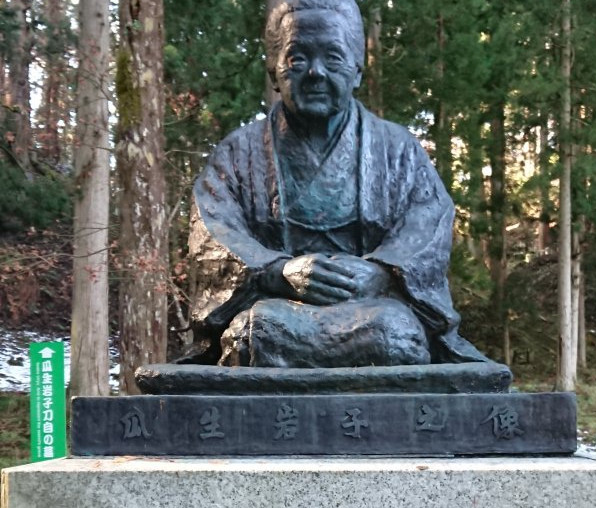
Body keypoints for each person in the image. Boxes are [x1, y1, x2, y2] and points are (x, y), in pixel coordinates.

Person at [186, 0, 487, 368]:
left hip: (375, 313)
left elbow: (428, 222)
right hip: (276, 313)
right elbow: (213, 230)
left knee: (397, 336)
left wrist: (381, 272)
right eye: (297, 58)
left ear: (357, 71)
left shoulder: (397, 149)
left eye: (333, 58)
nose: (315, 73)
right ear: (273, 70)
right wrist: (278, 271)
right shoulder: (238, 152)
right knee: (253, 334)